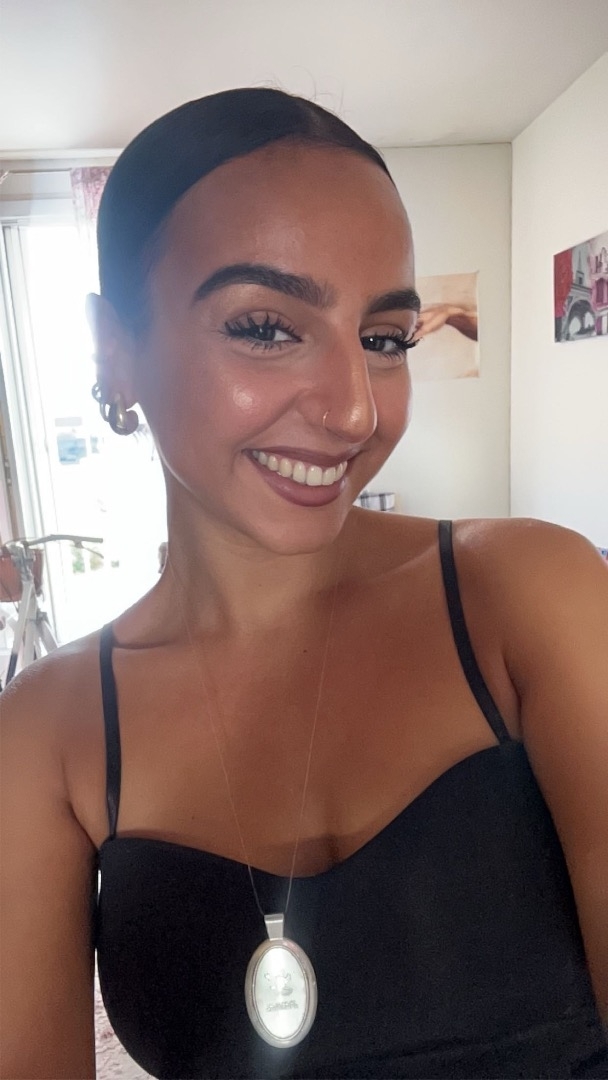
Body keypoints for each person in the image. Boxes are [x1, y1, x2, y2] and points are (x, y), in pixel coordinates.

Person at [1, 87, 607, 1080]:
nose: (355, 411)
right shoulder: (48, 733)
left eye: (383, 339)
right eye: (265, 327)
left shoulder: (528, 594)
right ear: (116, 349)